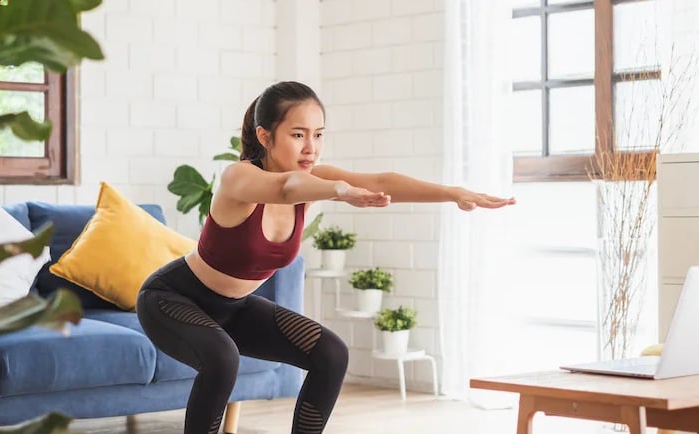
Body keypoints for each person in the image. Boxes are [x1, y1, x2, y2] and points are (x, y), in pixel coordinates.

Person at [136, 81, 516, 434]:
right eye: (298, 135)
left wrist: (454, 193)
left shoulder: (314, 176)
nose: (311, 148)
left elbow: (383, 182)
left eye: (318, 135)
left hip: (232, 308)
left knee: (330, 353)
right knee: (222, 359)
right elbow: (286, 188)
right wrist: (339, 190)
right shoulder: (239, 177)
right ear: (264, 136)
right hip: (172, 299)